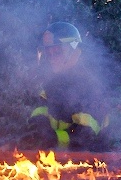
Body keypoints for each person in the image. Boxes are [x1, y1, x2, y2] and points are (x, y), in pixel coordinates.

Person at [29, 21, 109, 151]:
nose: (52, 58)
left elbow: (85, 137)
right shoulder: (49, 84)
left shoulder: (90, 87)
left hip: (91, 160)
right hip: (54, 158)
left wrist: (53, 139)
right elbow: (39, 112)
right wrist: (35, 131)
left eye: (58, 51)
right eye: (49, 53)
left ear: (74, 51)